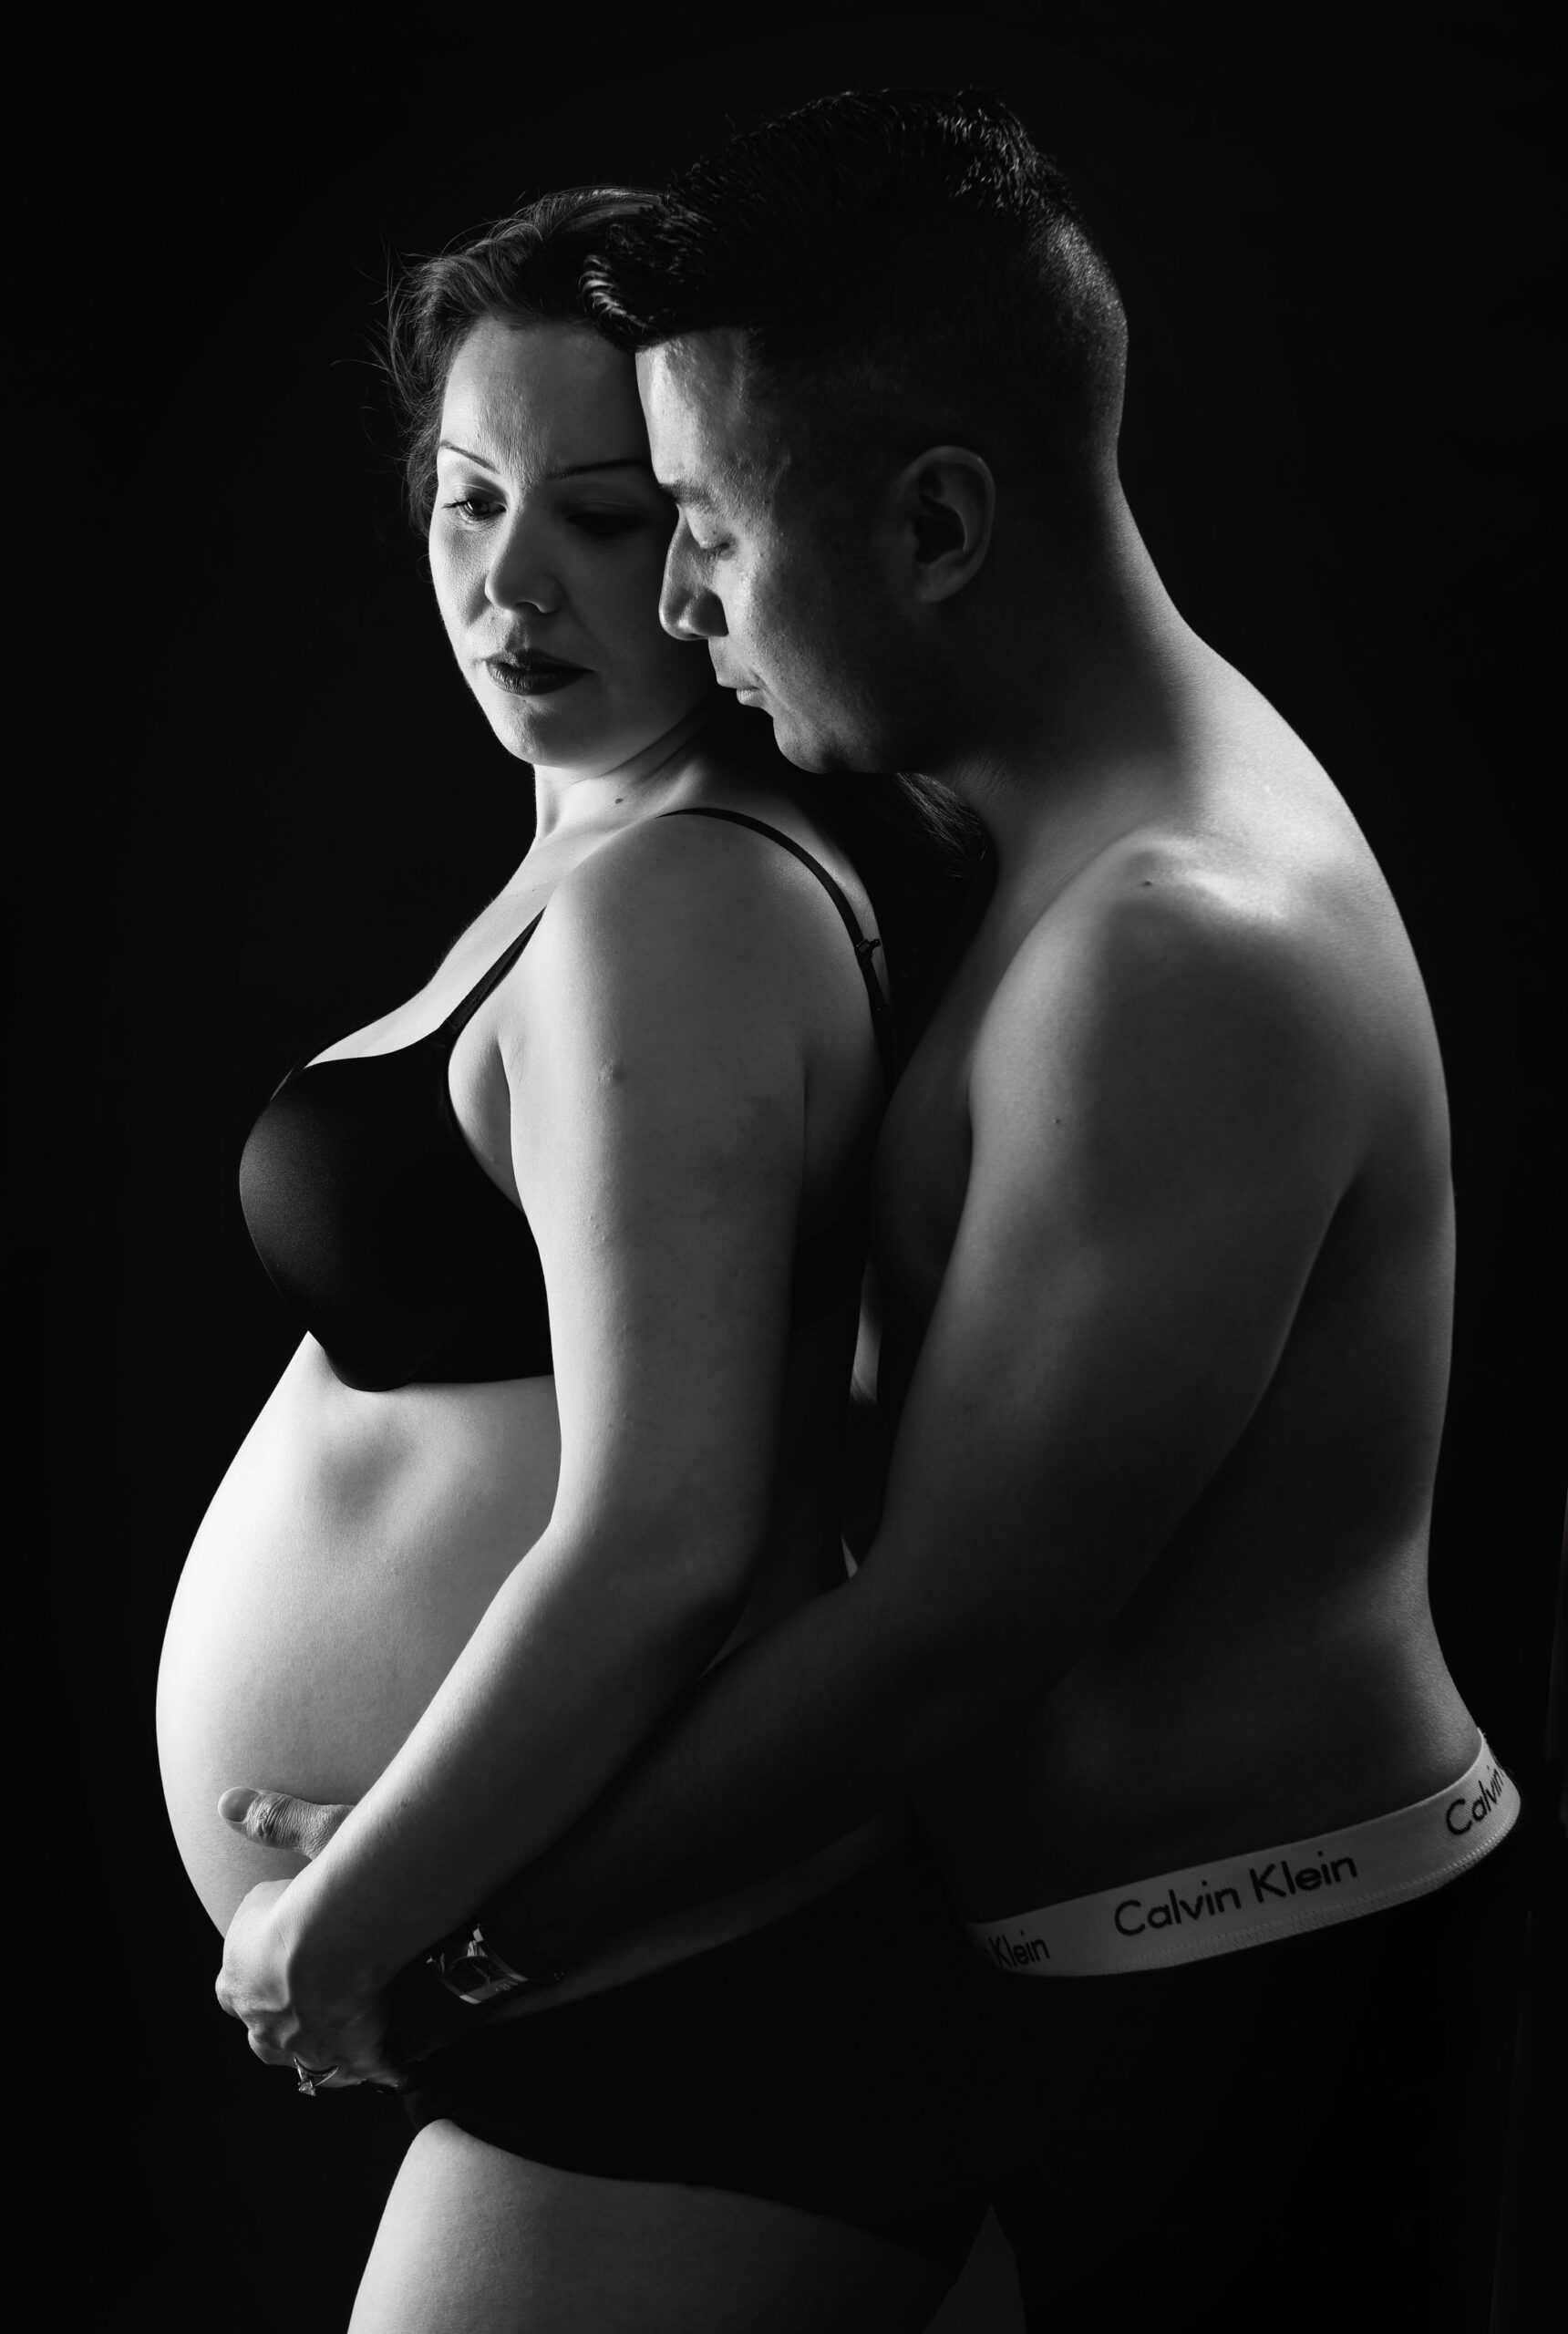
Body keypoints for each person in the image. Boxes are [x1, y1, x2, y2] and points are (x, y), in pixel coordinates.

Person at [238, 94, 1525, 2332]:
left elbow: (954, 1623)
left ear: (935, 521)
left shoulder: (1171, 943)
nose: (679, 603)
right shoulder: (982, 805)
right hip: (1057, 1958)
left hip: (1241, 1986)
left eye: (704, 528)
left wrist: (454, 1931)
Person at [155, 189, 981, 2330]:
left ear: (715, 518)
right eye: (465, 500)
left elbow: (669, 1535)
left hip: (678, 2020)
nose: (508, 582)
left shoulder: (684, 903)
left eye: (602, 515)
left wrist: (358, 1911)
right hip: (603, 1988)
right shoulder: (592, 856)